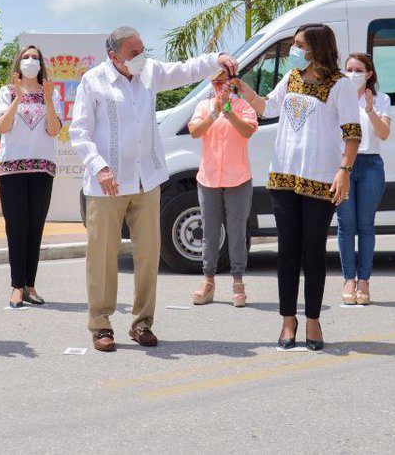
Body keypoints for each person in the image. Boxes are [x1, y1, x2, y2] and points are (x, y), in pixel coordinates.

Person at [70, 26, 237, 352]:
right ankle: (100, 324)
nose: (141, 57)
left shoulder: (149, 72)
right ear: (113, 55)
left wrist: (216, 58)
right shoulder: (93, 81)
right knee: (102, 257)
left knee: (148, 256)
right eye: (134, 52)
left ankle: (141, 323)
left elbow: (185, 70)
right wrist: (99, 165)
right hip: (107, 183)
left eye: (143, 49)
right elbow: (79, 132)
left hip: (146, 179)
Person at [238, 24, 361, 351]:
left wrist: (344, 171)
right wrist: (242, 90)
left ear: (316, 48)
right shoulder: (291, 77)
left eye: (298, 45)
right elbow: (266, 107)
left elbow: (352, 133)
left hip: (320, 181)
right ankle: (288, 319)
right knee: (287, 252)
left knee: (313, 252)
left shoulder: (340, 86)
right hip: (282, 178)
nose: (294, 50)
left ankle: (312, 320)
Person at [0, 45, 62, 308]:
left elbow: (54, 130)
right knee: (16, 226)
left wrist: (47, 98)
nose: (31, 61)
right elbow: (2, 126)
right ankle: (16, 286)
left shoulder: (50, 93)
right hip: (12, 168)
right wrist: (18, 98)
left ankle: (30, 285)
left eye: (35, 58)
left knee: (35, 226)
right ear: (18, 63)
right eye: (26, 57)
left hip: (42, 168)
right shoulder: (6, 91)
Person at [187, 70, 257, 308]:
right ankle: (208, 282)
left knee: (236, 231)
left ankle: (238, 282)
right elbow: (194, 132)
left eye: (225, 82)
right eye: (217, 82)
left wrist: (229, 113)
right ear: (211, 83)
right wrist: (215, 113)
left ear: (234, 83)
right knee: (209, 232)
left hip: (238, 178)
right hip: (208, 179)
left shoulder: (243, 106)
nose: (221, 86)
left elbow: (248, 130)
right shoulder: (203, 106)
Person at [336, 53, 391, 305]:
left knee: (366, 224)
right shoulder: (337, 97)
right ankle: (349, 279)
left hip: (370, 165)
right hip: (344, 164)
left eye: (359, 69)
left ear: (369, 74)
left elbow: (384, 133)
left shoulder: (382, 100)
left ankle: (364, 281)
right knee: (346, 225)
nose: (353, 73)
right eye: (349, 69)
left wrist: (369, 109)